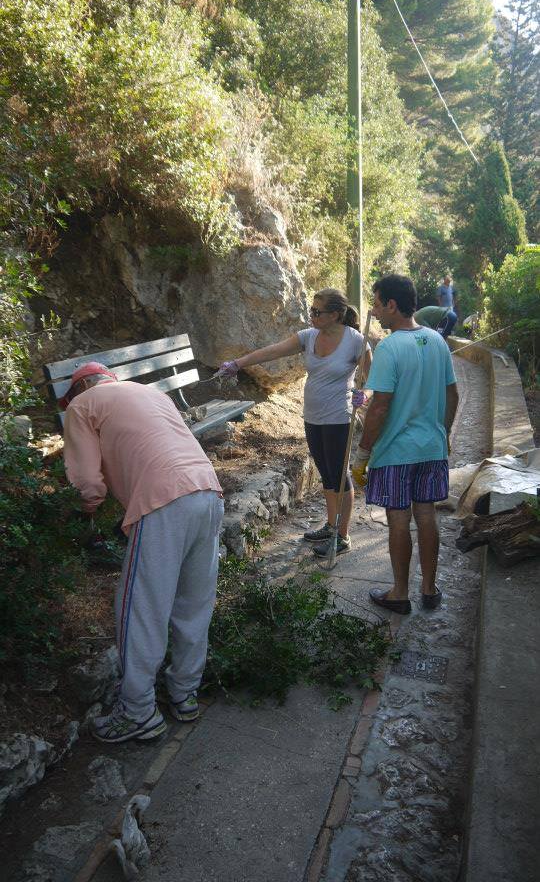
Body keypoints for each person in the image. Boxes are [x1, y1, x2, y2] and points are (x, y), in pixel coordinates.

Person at [61, 361, 224, 744]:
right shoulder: (150, 393)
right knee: (193, 603)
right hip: (207, 491)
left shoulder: (82, 406)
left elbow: (86, 482)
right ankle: (184, 693)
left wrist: (86, 510)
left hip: (162, 502)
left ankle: (137, 712)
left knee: (141, 609)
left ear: (80, 388)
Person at [219, 288, 371, 557]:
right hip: (313, 416)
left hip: (339, 417)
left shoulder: (356, 341)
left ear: (335, 315)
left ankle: (342, 536)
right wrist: (238, 363)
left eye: (317, 312)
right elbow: (272, 351)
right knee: (326, 473)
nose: (312, 315)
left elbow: (373, 379)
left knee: (339, 475)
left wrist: (365, 394)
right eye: (311, 310)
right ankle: (331, 525)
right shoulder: (309, 336)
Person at [355, 275, 459, 614]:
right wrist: (442, 434)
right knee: (426, 515)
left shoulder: (389, 347)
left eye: (376, 304)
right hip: (431, 448)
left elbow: (380, 406)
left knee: (399, 519)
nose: (374, 311)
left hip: (396, 452)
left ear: (392, 305)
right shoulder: (437, 341)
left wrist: (363, 452)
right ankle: (429, 589)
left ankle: (400, 593)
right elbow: (452, 394)